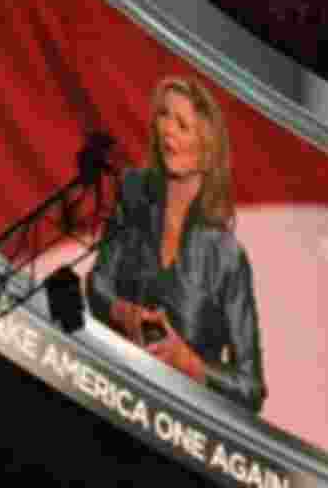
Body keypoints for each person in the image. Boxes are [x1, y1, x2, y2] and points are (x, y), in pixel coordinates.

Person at [86, 77, 267, 414]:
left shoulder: (227, 256)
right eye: (164, 116)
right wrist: (121, 311)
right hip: (110, 385)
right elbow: (98, 282)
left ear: (207, 150)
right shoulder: (134, 190)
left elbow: (251, 386)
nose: (167, 130)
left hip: (178, 416)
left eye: (182, 125)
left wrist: (191, 364)